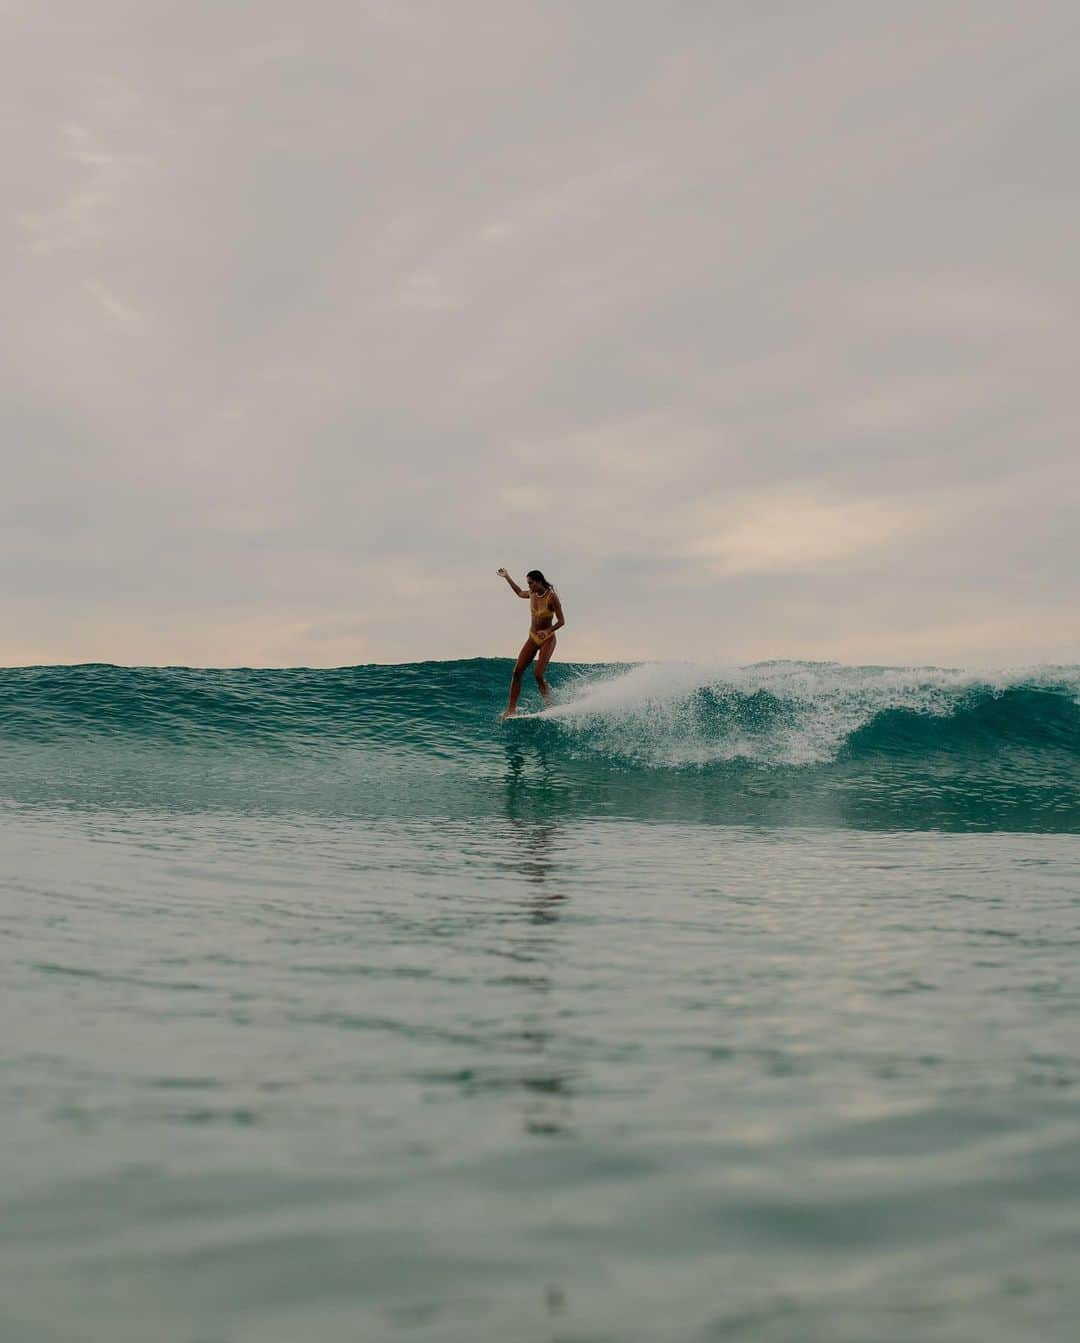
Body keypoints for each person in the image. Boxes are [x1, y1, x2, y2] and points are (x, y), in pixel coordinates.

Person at [496, 567, 565, 718]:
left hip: (547, 639)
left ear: (539, 581)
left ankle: (550, 707)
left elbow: (561, 621)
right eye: (528, 584)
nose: (530, 587)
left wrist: (548, 631)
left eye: (531, 583)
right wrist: (507, 576)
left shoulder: (552, 598)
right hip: (532, 637)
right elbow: (520, 593)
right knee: (517, 671)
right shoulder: (532, 594)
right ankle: (511, 710)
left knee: (538, 674)